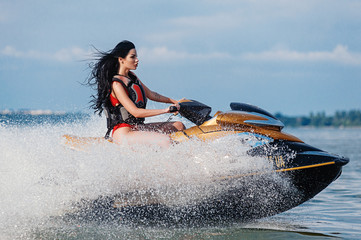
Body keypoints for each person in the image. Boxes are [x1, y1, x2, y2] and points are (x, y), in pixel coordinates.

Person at [87, 40, 185, 148]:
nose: (137, 60)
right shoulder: (116, 84)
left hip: (138, 128)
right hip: (124, 133)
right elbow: (136, 112)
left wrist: (174, 101)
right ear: (121, 60)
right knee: (164, 140)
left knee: (179, 125)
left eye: (136, 57)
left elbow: (151, 94)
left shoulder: (132, 77)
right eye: (132, 57)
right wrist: (165, 111)